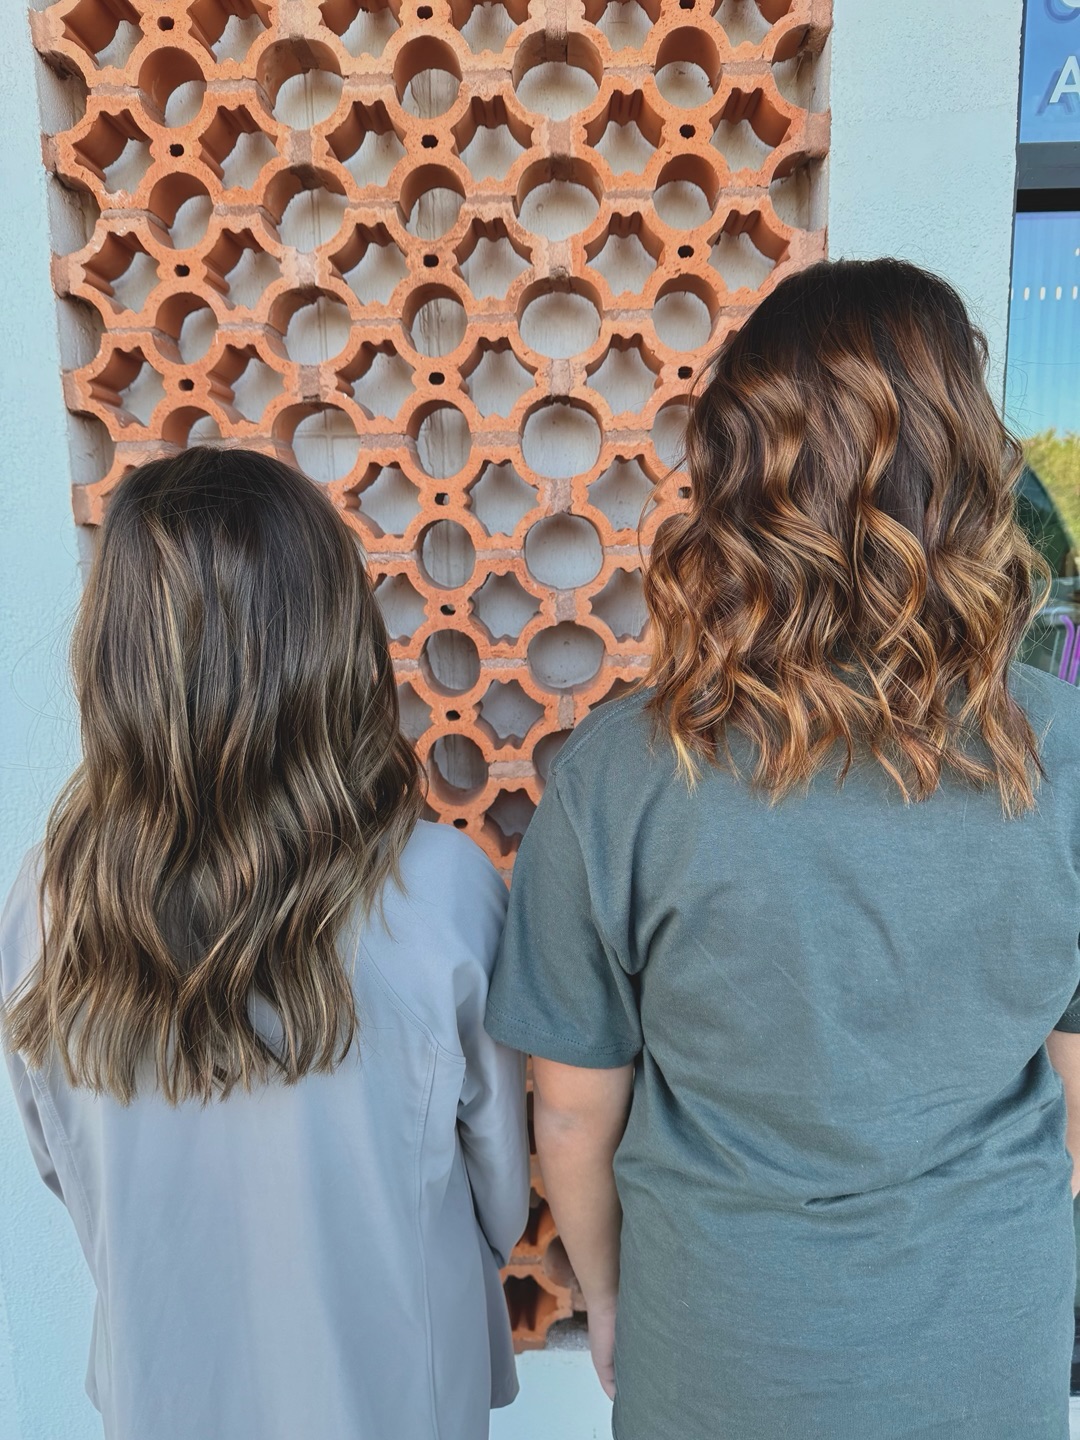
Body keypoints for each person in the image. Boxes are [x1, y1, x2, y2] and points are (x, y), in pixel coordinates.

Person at [485, 258, 1080, 1440]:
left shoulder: (619, 773)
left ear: (733, 483)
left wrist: (606, 1300)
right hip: (985, 1345)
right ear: (966, 470)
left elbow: (570, 1116)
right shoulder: (1062, 748)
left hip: (718, 1345)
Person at [0, 447, 529, 1440]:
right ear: (334, 635)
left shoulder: (46, 897)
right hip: (392, 1391)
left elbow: (65, 1170)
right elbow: (500, 1195)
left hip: (164, 1391)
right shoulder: (443, 887)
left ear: (115, 653)